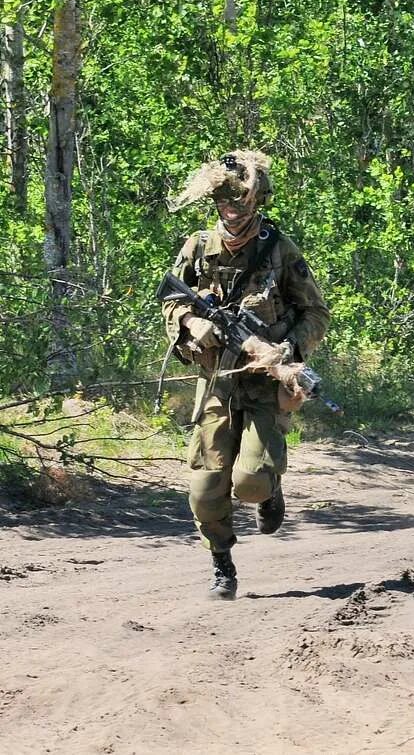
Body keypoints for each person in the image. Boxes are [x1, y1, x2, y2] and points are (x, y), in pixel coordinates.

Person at [162, 150, 330, 599]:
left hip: (263, 386)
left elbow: (315, 311)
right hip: (216, 382)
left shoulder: (279, 249)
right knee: (204, 490)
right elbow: (171, 300)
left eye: (241, 203)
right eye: (225, 203)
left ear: (258, 203)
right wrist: (192, 325)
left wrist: (285, 351)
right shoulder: (197, 247)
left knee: (250, 483)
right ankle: (222, 564)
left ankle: (269, 491)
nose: (233, 212)